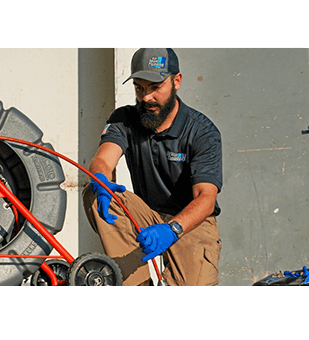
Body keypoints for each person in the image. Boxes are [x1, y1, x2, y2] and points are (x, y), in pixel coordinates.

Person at [82, 48, 223, 286]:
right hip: (146, 215)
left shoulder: (203, 132)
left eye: (155, 87)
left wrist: (172, 229)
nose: (146, 97)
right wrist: (100, 178)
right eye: (139, 87)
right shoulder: (125, 119)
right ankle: (136, 283)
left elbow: (205, 197)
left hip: (190, 223)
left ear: (176, 81)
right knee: (95, 191)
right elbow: (103, 161)